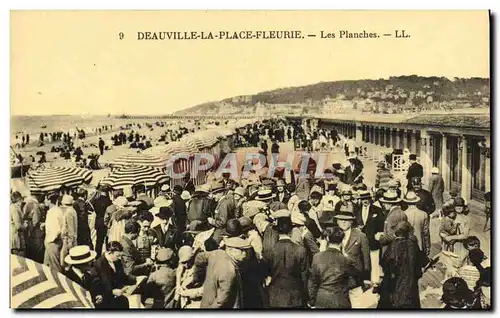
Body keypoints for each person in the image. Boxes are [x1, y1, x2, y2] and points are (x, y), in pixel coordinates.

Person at [308, 226, 361, 309]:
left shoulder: (317, 257)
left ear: (328, 239)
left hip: (322, 298)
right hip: (340, 299)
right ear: (342, 240)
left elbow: (312, 282)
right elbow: (356, 276)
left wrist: (312, 301)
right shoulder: (345, 259)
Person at [192, 237, 252, 308]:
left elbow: (199, 257)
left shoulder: (217, 253)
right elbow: (221, 302)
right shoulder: (229, 271)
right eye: (241, 250)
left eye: (246, 251)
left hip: (206, 302)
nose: (245, 254)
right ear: (230, 249)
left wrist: (197, 278)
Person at [267, 211, 309, 308]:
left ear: (277, 231)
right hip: (295, 293)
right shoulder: (300, 250)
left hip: (275, 294)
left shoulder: (271, 251)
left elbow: (267, 273)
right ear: (291, 231)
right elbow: (304, 275)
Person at [378, 221, 422, 309]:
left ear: (396, 232)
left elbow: (384, 263)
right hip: (411, 285)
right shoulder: (413, 245)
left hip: (395, 285)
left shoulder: (393, 245)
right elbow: (419, 265)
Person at [334, 208, 371, 303]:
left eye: (346, 220)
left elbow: (366, 259)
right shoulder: (333, 234)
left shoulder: (360, 236)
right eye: (341, 220)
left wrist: (367, 278)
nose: (343, 223)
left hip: (355, 277)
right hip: (337, 276)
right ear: (337, 221)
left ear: (351, 222)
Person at [90, 241, 138, 309]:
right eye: (118, 256)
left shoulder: (117, 261)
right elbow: (97, 289)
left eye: (121, 256)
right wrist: (112, 292)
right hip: (105, 301)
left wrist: (136, 279)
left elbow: (123, 277)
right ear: (109, 253)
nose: (119, 258)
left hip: (118, 296)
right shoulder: (98, 265)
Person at [403, 191, 431, 259]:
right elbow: (426, 233)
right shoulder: (423, 214)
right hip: (420, 244)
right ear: (416, 202)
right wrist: (427, 246)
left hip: (407, 244)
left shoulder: (403, 214)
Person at [43, 193, 64, 272]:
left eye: (46, 199)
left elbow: (56, 229)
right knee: (47, 265)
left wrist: (50, 239)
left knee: (55, 266)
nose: (44, 201)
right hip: (52, 241)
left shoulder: (52, 212)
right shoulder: (57, 210)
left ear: (49, 200)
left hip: (52, 242)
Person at [90, 184, 112, 256]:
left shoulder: (96, 200)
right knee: (107, 239)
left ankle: (97, 255)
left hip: (99, 221)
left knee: (99, 240)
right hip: (107, 221)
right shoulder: (109, 201)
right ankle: (108, 253)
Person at [60, 195, 78, 269]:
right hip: (72, 238)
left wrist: (70, 241)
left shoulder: (68, 212)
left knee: (66, 260)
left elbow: (70, 228)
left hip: (69, 239)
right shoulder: (72, 210)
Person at [11, 191, 27, 257]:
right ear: (19, 199)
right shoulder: (15, 209)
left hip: (14, 238)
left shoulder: (12, 207)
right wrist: (25, 226)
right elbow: (18, 226)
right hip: (17, 240)